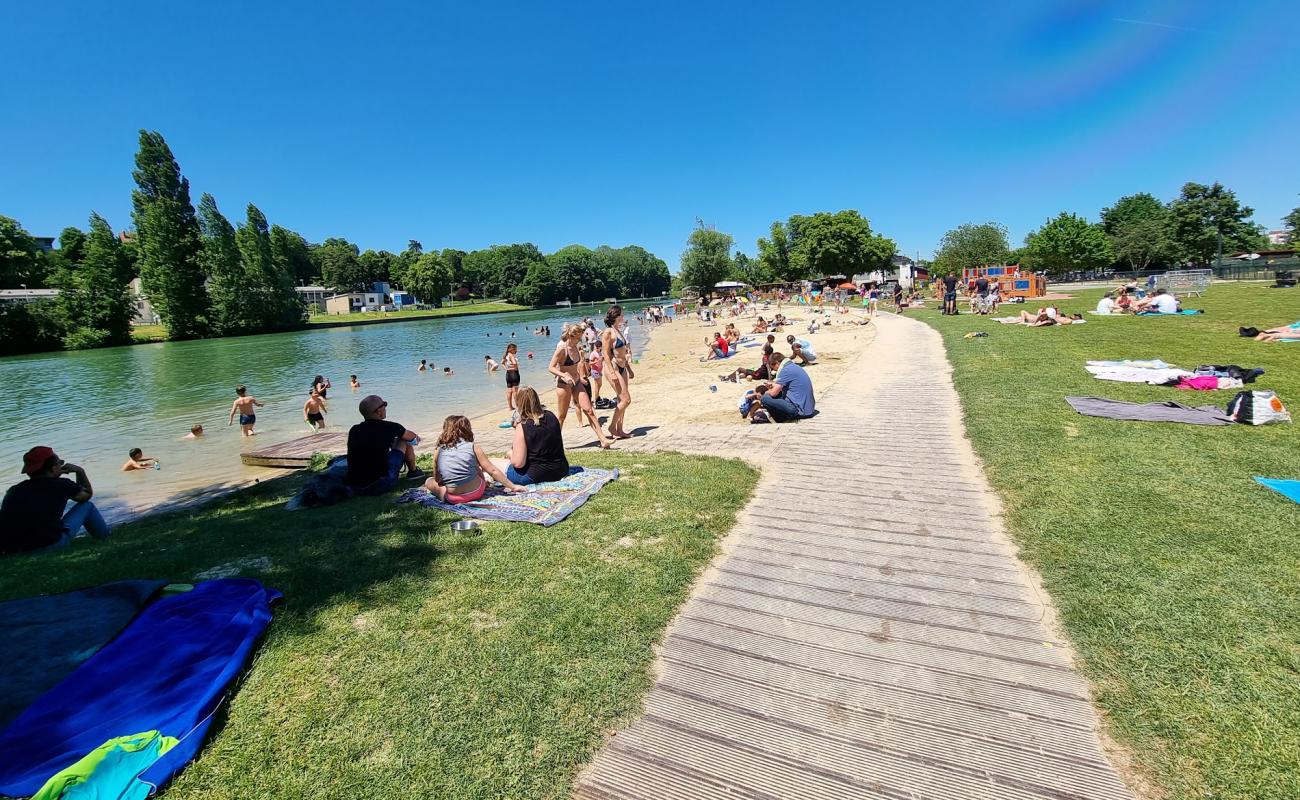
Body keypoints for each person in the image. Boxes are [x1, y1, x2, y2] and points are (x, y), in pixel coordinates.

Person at [1, 447, 110, 554]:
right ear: (53, 468)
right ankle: (105, 538)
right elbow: (86, 496)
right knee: (87, 506)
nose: (61, 465)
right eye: (60, 463)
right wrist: (80, 471)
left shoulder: (14, 491)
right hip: (50, 545)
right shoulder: (62, 485)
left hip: (15, 550)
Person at [424, 415, 524, 503]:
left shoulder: (439, 450)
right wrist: (513, 487)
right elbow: (492, 470)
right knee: (476, 466)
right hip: (477, 492)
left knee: (429, 481)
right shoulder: (473, 447)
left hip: (453, 498)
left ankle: (444, 492)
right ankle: (483, 483)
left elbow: (438, 479)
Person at [346, 395, 424, 495]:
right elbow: (412, 437)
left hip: (355, 485)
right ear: (378, 411)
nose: (385, 407)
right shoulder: (390, 427)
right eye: (384, 404)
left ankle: (413, 471)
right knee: (403, 439)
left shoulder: (354, 430)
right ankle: (413, 472)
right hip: (381, 484)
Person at [548, 323, 610, 447]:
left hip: (576, 383)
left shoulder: (578, 348)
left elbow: (578, 365)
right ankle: (554, 445)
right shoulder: (562, 349)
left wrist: (582, 376)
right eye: (579, 337)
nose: (581, 339)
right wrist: (563, 375)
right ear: (572, 336)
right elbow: (551, 367)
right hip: (564, 385)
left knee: (590, 410)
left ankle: (603, 440)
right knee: (562, 416)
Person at [499, 387, 570, 485]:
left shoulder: (523, 426)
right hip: (561, 470)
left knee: (491, 463)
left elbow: (518, 463)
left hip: (535, 475)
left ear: (519, 403)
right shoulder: (551, 416)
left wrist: (510, 454)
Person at [601, 305, 634, 440]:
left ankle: (619, 429)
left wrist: (629, 369)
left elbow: (623, 353)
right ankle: (612, 426)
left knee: (622, 399)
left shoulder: (618, 330)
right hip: (613, 368)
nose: (623, 316)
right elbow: (606, 354)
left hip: (622, 367)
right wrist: (612, 372)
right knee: (626, 400)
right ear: (616, 316)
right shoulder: (608, 332)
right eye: (622, 314)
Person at [760, 352, 816, 422]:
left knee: (765, 399)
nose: (774, 370)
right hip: (808, 409)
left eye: (773, 368)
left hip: (799, 411)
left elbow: (773, 393)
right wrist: (774, 385)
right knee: (777, 395)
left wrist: (766, 392)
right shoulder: (793, 366)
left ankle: (780, 419)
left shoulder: (785, 370)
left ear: (777, 363)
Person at [503, 342, 521, 411]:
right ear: (512, 349)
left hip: (508, 374)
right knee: (515, 391)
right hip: (514, 373)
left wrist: (507, 368)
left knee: (509, 391)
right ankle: (517, 406)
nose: (516, 350)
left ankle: (510, 407)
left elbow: (502, 362)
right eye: (515, 349)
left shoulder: (506, 355)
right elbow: (514, 363)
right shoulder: (511, 355)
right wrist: (515, 368)